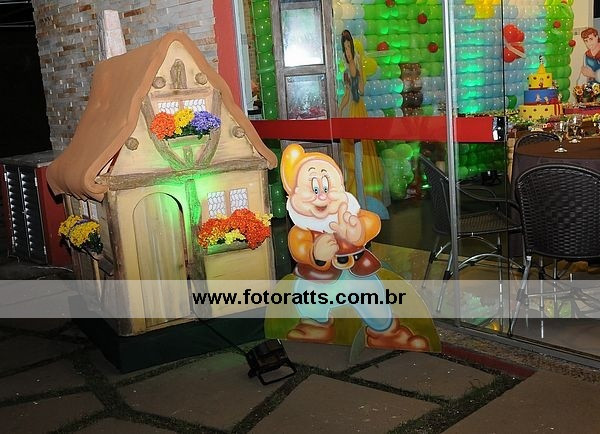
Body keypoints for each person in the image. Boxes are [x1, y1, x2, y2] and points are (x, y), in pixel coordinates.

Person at [280, 144, 430, 350]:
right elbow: (297, 247)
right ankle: (315, 325)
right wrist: (314, 253)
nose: (322, 196)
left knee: (374, 300)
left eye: (327, 188)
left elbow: (373, 222)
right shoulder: (303, 228)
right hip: (319, 279)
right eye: (314, 189)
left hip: (358, 273)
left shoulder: (349, 213)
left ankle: (386, 332)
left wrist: (358, 230)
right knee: (307, 295)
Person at [338, 30, 385, 207]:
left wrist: (358, 78)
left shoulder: (355, 68)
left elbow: (361, 91)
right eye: (345, 48)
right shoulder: (347, 70)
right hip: (350, 108)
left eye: (349, 47)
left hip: (357, 109)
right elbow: (346, 95)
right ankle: (355, 193)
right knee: (351, 149)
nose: (347, 51)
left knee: (359, 147)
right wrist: (340, 109)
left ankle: (362, 193)